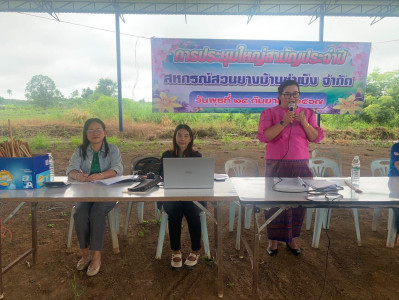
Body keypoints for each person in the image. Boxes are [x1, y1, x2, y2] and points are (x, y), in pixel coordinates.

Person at [257, 79, 325, 256]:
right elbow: (265, 137)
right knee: (274, 202)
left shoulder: (308, 114)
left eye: (296, 94)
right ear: (280, 96)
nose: (292, 97)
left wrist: (305, 123)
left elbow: (316, 138)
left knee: (298, 203)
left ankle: (292, 238)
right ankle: (273, 240)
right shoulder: (269, 113)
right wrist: (283, 122)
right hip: (276, 165)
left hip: (300, 165)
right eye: (288, 94)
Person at [66, 118, 123, 276]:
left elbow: (117, 169)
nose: (95, 133)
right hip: (86, 192)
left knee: (97, 211)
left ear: (104, 133)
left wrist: (101, 175)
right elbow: (70, 169)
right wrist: (79, 176)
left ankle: (96, 255)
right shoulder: (80, 150)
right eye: (91, 130)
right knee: (80, 213)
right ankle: (85, 254)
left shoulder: (112, 149)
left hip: (108, 192)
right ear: (86, 134)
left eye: (99, 130)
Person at [160, 124, 203, 269]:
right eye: (179, 135)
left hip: (192, 194)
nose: (182, 139)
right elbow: (162, 176)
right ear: (175, 137)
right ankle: (176, 250)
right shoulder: (167, 155)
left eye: (186, 135)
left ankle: (196, 250)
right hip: (172, 194)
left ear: (190, 138)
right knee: (175, 210)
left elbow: (200, 177)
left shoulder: (197, 156)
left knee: (192, 210)